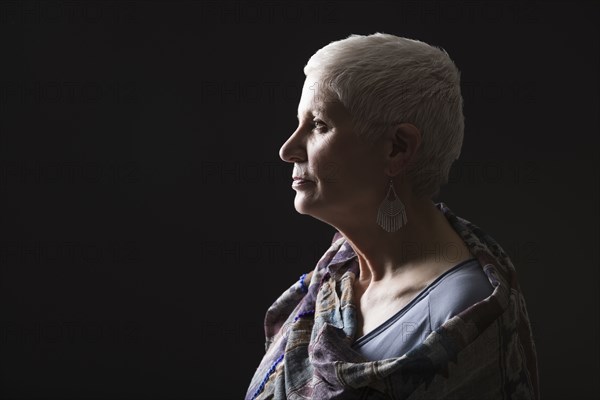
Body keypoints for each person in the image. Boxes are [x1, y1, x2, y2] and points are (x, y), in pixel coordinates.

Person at [245, 33, 539, 400]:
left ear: (396, 149)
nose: (288, 149)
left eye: (318, 125)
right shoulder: (339, 273)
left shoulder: (461, 308)